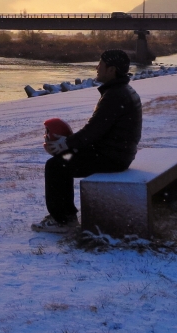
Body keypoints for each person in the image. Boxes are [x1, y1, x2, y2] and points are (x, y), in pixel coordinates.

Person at [31, 49, 143, 233]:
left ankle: (63, 221)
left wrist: (65, 144)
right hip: (116, 153)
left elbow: (92, 131)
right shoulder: (121, 90)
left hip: (111, 158)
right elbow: (97, 131)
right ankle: (65, 215)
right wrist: (69, 145)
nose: (97, 68)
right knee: (63, 159)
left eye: (101, 64)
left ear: (111, 70)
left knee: (57, 165)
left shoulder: (115, 95)